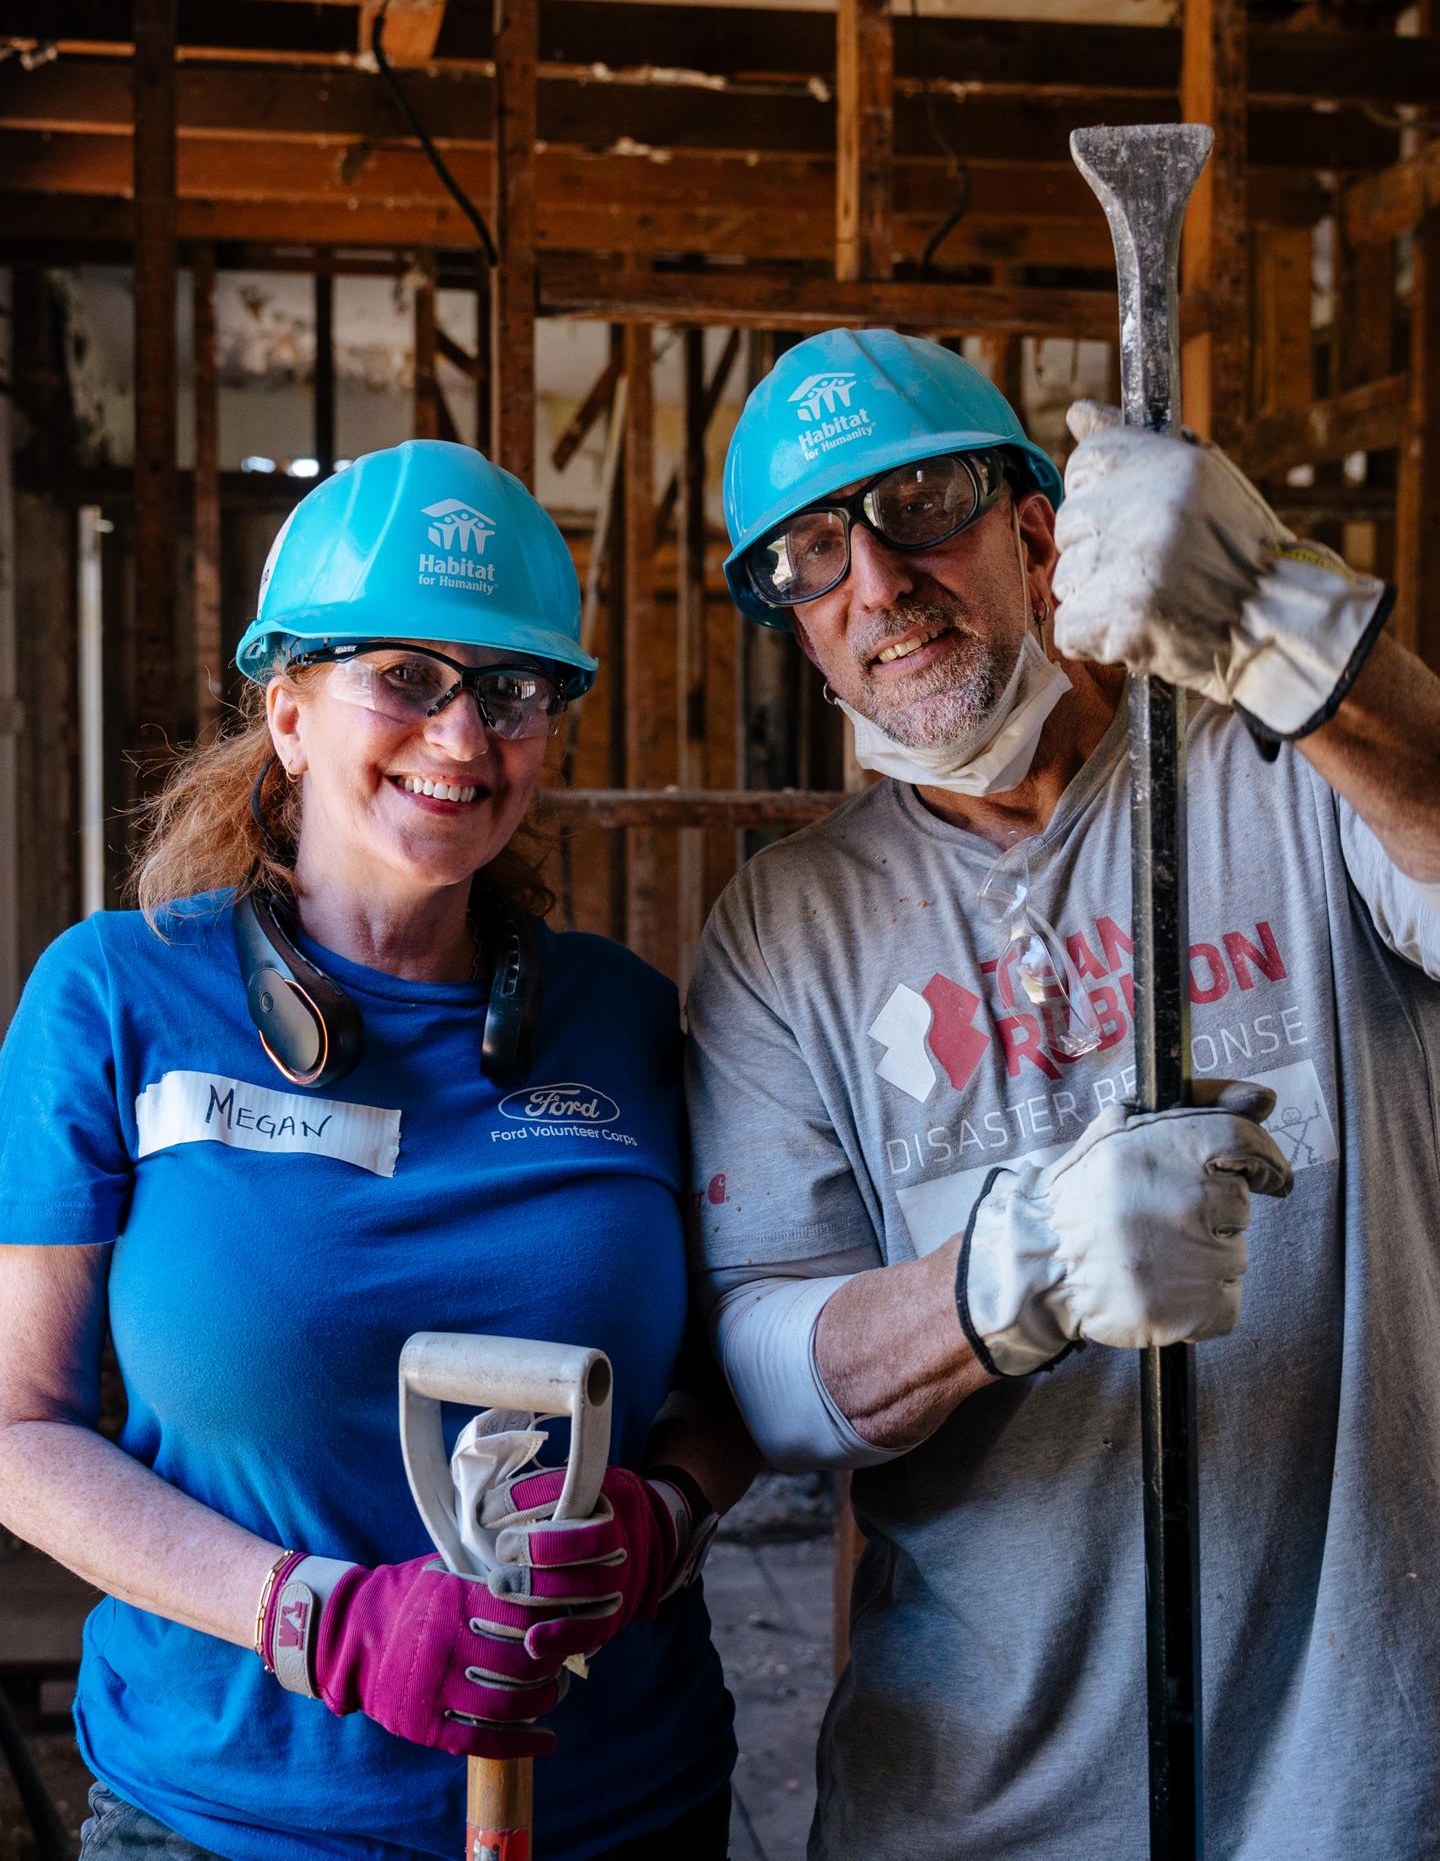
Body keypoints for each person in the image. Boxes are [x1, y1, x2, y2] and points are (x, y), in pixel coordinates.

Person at [685, 327, 1440, 1857]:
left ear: (1041, 534)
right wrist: (1004, 1284)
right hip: (971, 1799)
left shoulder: (1287, 772)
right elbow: (767, 1367)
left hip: (1353, 1777)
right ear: (802, 632)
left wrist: (1301, 637)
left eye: (922, 507)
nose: (878, 585)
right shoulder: (788, 931)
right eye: (815, 557)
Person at [0, 441, 747, 1861]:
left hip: (618, 1806)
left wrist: (669, 1513)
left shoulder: (632, 1021)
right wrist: (318, 1619)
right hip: (228, 1817)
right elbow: (16, 1430)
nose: (463, 739)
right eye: (402, 675)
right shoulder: (113, 999)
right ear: (285, 709)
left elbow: (732, 1372)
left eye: (513, 690)